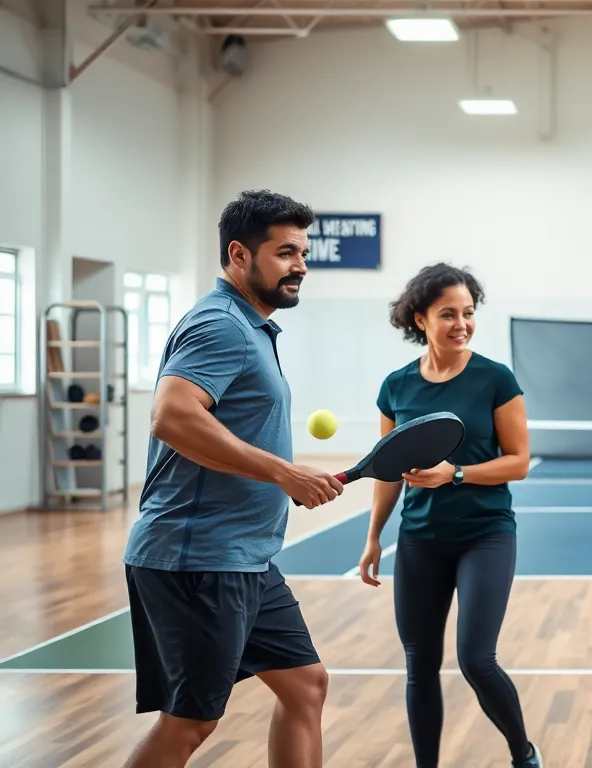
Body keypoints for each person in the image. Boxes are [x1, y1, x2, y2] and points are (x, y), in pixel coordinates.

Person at [120, 190, 344, 768]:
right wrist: (282, 472)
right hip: (199, 557)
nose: (300, 265)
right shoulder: (220, 324)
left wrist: (281, 474)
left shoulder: (252, 327)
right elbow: (172, 416)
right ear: (239, 254)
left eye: (302, 252)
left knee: (305, 685)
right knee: (192, 721)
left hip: (244, 556)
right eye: (285, 252)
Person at [356, 263, 542, 768]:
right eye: (448, 314)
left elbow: (518, 462)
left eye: (469, 312)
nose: (462, 323)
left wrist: (454, 474)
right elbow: (388, 469)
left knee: (476, 660)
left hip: (486, 535)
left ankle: (522, 754)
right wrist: (375, 536)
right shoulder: (396, 387)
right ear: (420, 319)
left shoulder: (495, 379)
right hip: (419, 541)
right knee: (419, 666)